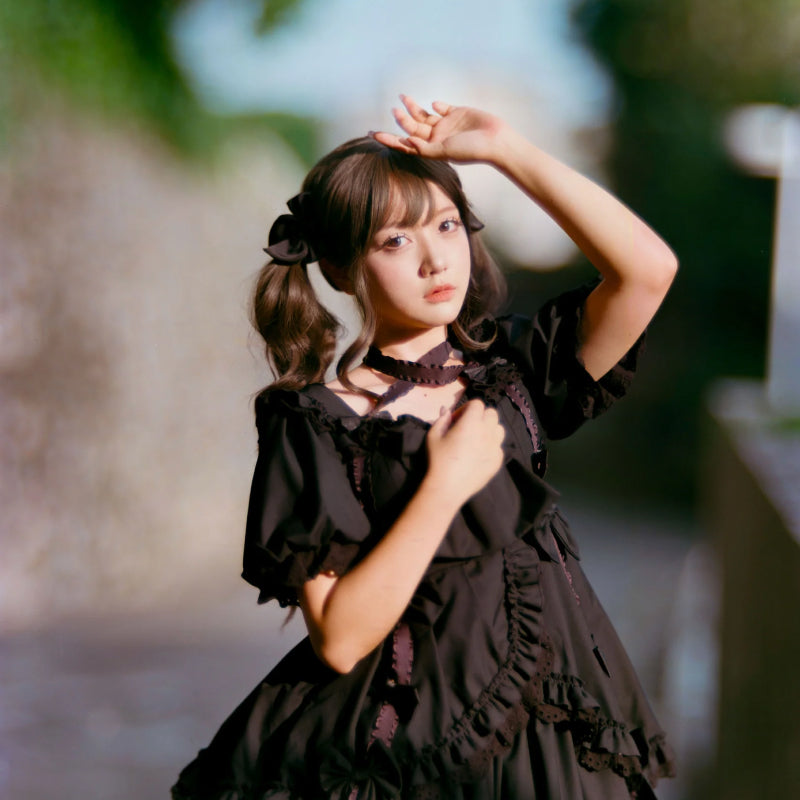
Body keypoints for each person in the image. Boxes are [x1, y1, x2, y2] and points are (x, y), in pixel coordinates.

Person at [171, 96, 678, 800]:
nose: (438, 257)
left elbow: (647, 272)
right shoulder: (317, 421)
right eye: (395, 241)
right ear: (345, 270)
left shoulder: (516, 371)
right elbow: (341, 639)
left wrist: (508, 150)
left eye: (446, 224)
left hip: (554, 741)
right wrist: (444, 487)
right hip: (407, 754)